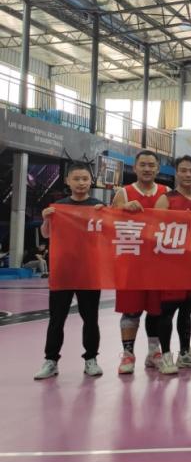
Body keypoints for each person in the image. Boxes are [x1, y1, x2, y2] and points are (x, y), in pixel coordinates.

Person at [34, 163, 104, 380]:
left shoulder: (99, 206)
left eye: (85, 179)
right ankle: (51, 360)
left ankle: (91, 359)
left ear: (91, 181)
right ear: (67, 181)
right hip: (62, 271)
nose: (81, 183)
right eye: (76, 179)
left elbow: (108, 235)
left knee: (90, 318)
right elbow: (46, 235)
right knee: (57, 319)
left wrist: (105, 216)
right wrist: (46, 218)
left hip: (89, 271)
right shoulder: (58, 207)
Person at [111, 150, 169, 374]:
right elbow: (109, 223)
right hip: (131, 262)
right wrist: (121, 210)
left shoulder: (166, 192)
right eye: (143, 164)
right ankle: (128, 355)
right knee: (131, 310)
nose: (147, 169)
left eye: (151, 165)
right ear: (134, 167)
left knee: (156, 311)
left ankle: (153, 352)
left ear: (157, 168)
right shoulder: (123, 193)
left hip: (158, 263)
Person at [152, 155, 191, 374]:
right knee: (167, 311)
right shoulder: (166, 199)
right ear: (176, 172)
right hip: (170, 265)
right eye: (184, 170)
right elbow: (154, 230)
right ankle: (165, 355)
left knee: (186, 310)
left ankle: (184, 353)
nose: (188, 174)